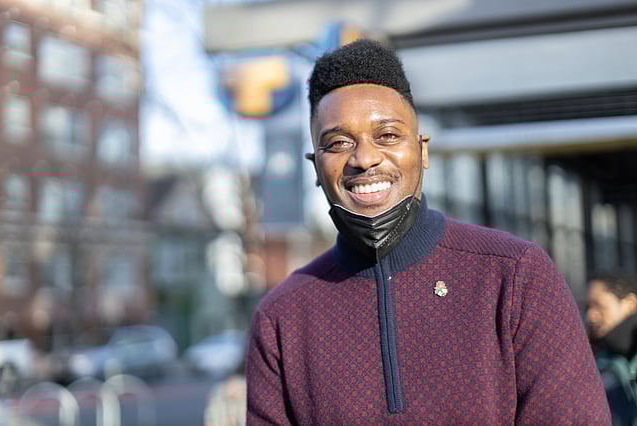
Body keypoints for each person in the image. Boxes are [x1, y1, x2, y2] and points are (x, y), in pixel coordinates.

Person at [246, 39, 610, 424]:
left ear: (422, 152)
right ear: (316, 167)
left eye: (387, 135)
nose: (364, 158)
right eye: (338, 142)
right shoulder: (281, 318)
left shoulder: (515, 275)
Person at [588, 271, 637, 425]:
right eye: (588, 307)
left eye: (599, 306)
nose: (591, 316)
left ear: (630, 304)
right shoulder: (592, 356)